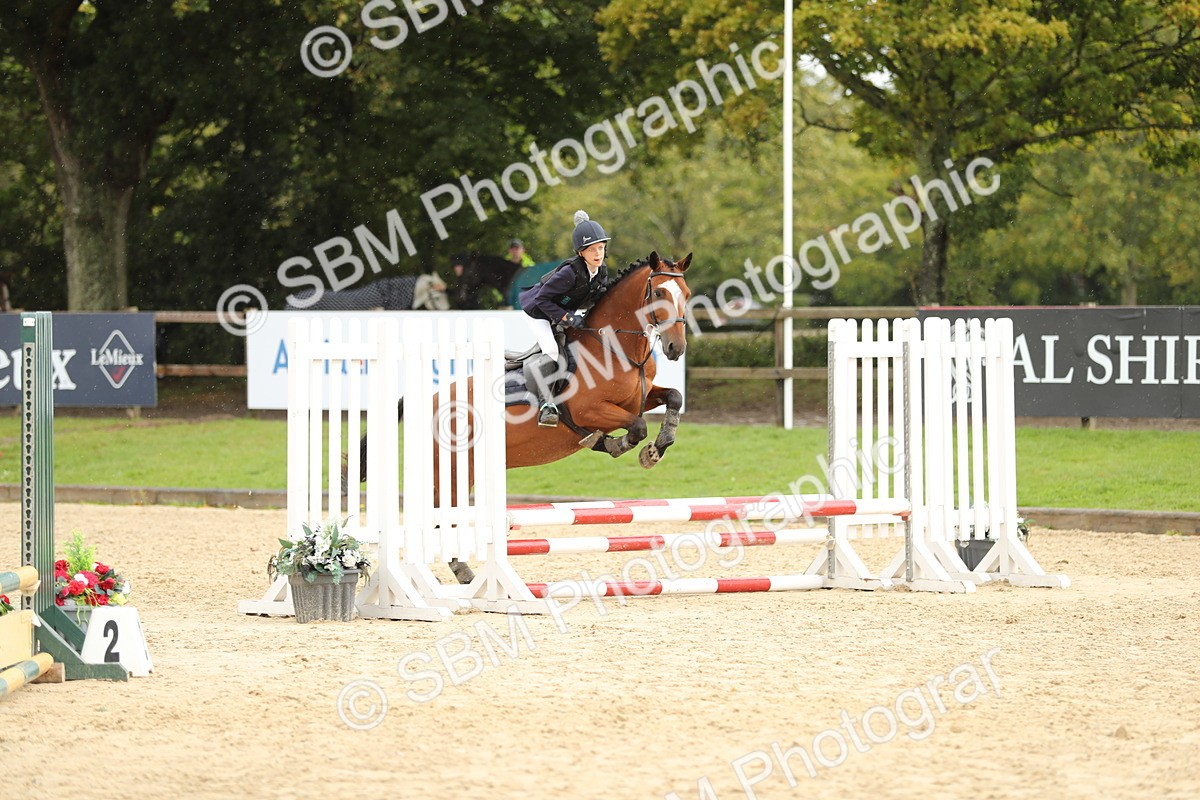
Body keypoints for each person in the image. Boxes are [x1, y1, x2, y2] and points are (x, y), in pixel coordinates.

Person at [518, 210, 611, 427]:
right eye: (591, 249)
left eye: (601, 248)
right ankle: (546, 406)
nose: (598, 254)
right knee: (551, 350)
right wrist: (567, 318)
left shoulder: (601, 270)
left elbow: (599, 298)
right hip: (538, 311)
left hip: (559, 310)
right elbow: (542, 299)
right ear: (581, 253)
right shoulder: (569, 273)